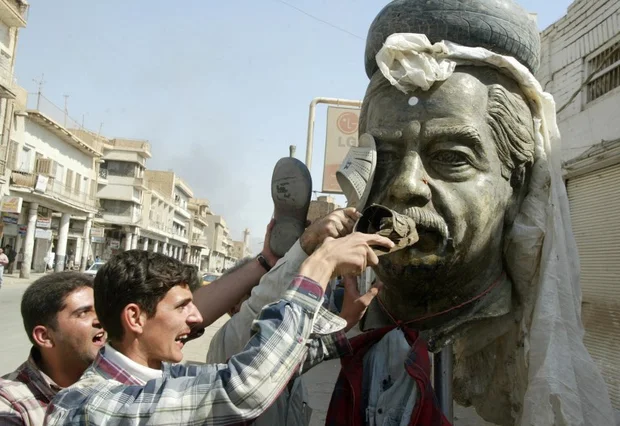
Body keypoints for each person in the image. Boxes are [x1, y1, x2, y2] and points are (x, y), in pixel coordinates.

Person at [45, 232, 394, 425]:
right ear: (135, 318)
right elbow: (243, 389)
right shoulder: (87, 407)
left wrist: (341, 330)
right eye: (181, 307)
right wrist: (318, 267)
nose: (196, 318)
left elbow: (268, 366)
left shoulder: (170, 377)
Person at [206, 208, 371, 426]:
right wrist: (308, 244)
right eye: (254, 293)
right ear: (234, 306)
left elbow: (298, 356)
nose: (280, 307)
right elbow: (261, 304)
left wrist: (345, 322)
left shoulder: (279, 352)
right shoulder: (228, 341)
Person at [0, 272, 106, 425]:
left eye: (100, 311)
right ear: (45, 336)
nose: (100, 320)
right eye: (83, 313)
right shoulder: (10, 402)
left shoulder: (119, 382)